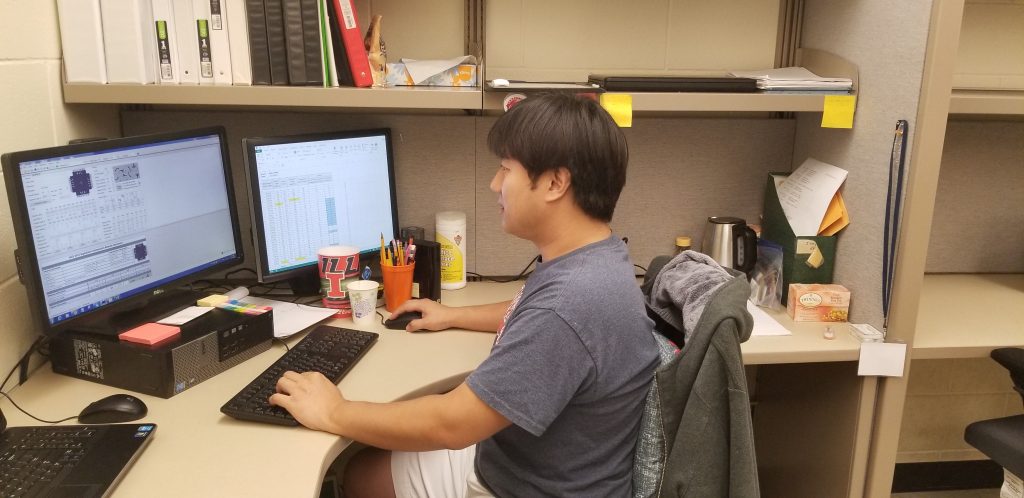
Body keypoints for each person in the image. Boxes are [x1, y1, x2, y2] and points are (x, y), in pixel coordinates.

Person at [270, 93, 660, 497]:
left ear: (555, 183)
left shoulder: (568, 306)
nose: (494, 184)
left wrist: (335, 411)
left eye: (506, 169)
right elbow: (533, 314)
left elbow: (452, 424)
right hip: (544, 466)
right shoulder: (597, 259)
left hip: (527, 487)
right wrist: (452, 315)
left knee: (358, 474)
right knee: (369, 461)